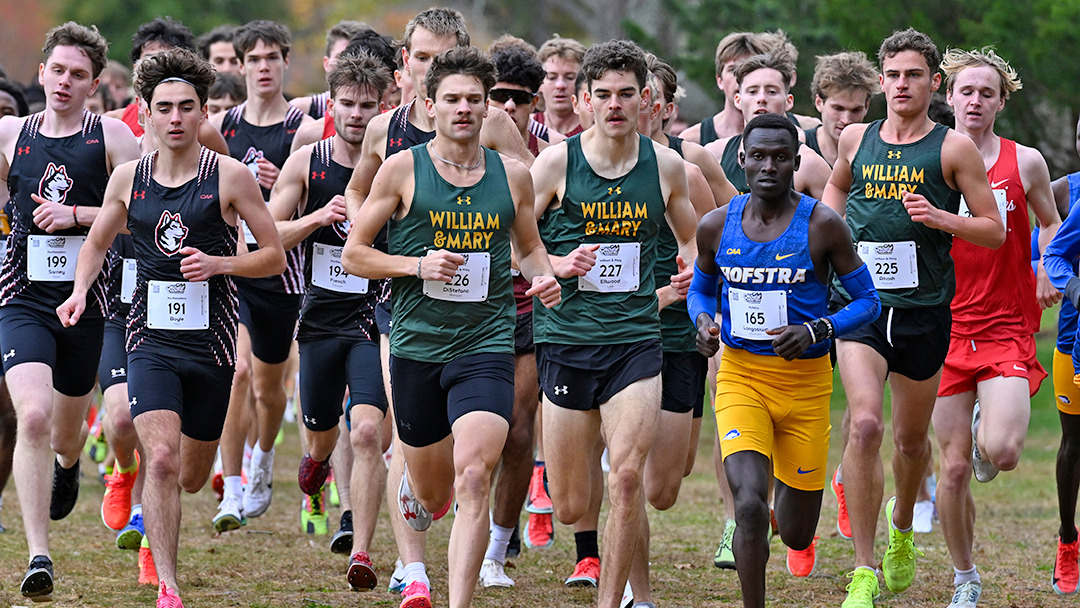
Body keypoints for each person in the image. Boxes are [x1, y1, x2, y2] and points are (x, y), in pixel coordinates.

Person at [57, 48, 285, 608]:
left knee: (187, 474)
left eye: (188, 108)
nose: (177, 118)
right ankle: (169, 585)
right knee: (159, 460)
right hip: (150, 340)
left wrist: (222, 264)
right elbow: (95, 243)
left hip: (211, 344)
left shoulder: (230, 177)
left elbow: (275, 255)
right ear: (148, 113)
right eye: (165, 108)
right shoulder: (127, 179)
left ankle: (169, 515)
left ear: (203, 112)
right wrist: (80, 289)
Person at [341, 44, 560, 608]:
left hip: (486, 341)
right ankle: (416, 488)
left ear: (490, 109)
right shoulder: (401, 169)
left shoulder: (513, 177)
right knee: (435, 489)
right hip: (417, 343)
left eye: (475, 100)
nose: (464, 109)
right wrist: (416, 265)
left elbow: (530, 248)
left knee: (473, 475)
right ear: (429, 105)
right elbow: (355, 255)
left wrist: (546, 276)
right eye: (452, 99)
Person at [821, 28, 1005, 608]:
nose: (902, 85)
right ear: (881, 81)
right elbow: (834, 190)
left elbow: (994, 229)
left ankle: (903, 527)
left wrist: (940, 219)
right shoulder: (856, 138)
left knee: (908, 441)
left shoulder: (952, 149)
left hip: (925, 312)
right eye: (894, 75)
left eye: (914, 75)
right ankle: (864, 569)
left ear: (934, 84)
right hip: (861, 306)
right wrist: (827, 236)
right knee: (866, 424)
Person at [530, 39, 697, 608]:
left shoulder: (667, 166)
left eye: (627, 93)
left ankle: (614, 600)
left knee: (628, 477)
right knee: (573, 502)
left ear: (647, 99)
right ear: (583, 102)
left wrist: (688, 278)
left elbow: (694, 238)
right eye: (602, 94)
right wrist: (552, 264)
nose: (615, 104)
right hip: (567, 338)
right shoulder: (556, 163)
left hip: (636, 338)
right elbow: (509, 238)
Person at [690, 112, 879, 608]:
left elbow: (868, 302)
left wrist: (819, 328)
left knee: (796, 534)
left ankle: (791, 488)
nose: (768, 166)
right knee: (749, 506)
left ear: (796, 161)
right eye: (758, 156)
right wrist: (704, 324)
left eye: (780, 157)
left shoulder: (822, 224)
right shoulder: (716, 224)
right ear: (741, 160)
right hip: (741, 377)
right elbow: (700, 289)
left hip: (806, 385)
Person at [0, 21, 141, 598]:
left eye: (77, 74)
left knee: (63, 432)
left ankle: (68, 464)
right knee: (29, 417)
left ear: (95, 83)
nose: (64, 82)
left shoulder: (112, 139)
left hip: (88, 304)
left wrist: (79, 216)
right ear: (41, 74)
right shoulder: (10, 133)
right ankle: (39, 556)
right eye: (56, 70)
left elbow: (145, 210)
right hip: (23, 299)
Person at [931, 46, 1059, 608]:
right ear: (950, 96)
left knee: (1002, 452)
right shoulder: (925, 157)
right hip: (942, 327)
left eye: (987, 92)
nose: (975, 100)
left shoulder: (1025, 161)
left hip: (1006, 323)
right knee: (953, 469)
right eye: (966, 91)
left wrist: (1045, 268)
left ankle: (989, 423)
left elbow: (1052, 221)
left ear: (1001, 102)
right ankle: (964, 576)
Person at [267, 50, 392, 590]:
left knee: (366, 430)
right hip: (319, 316)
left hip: (373, 313)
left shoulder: (399, 165)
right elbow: (264, 237)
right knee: (320, 434)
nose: (358, 115)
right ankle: (316, 465)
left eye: (369, 105)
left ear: (385, 104)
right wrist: (317, 216)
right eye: (348, 104)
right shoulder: (307, 162)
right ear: (331, 104)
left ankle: (360, 550)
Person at [209, 19, 313, 530]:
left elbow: (312, 190)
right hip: (232, 272)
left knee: (269, 391)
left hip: (283, 275)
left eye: (272, 57)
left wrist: (279, 186)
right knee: (237, 373)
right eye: (253, 59)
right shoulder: (223, 125)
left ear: (285, 63)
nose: (263, 67)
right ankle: (230, 488)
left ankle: (264, 460)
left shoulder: (302, 128)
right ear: (241, 64)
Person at [704, 52, 831, 198]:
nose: (762, 99)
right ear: (738, 100)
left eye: (771, 92)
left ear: (788, 101)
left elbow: (836, 219)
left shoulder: (810, 164)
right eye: (752, 91)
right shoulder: (714, 156)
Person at [106, 17, 230, 155]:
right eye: (150, 59)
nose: (157, 66)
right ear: (136, 68)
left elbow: (224, 170)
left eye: (167, 58)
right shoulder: (115, 123)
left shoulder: (202, 130)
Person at [1045, 114, 1080, 597]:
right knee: (1074, 443)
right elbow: (1050, 249)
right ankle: (1068, 539)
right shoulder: (1066, 191)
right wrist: (1071, 287)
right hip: (1074, 345)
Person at [680, 32, 769, 145]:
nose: (741, 77)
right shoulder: (692, 140)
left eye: (750, 69)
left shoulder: (792, 135)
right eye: (733, 70)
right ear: (720, 80)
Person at [805, 51, 878, 167]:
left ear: (866, 107)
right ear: (819, 103)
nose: (846, 120)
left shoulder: (877, 154)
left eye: (856, 110)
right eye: (838, 108)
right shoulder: (799, 147)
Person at [289, 21, 367, 119]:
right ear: (326, 63)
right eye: (341, 57)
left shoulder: (379, 114)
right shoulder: (300, 111)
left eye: (356, 57)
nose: (349, 64)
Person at [534, 37, 587, 137]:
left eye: (570, 77)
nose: (560, 85)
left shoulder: (592, 130)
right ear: (540, 83)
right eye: (552, 77)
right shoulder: (528, 127)